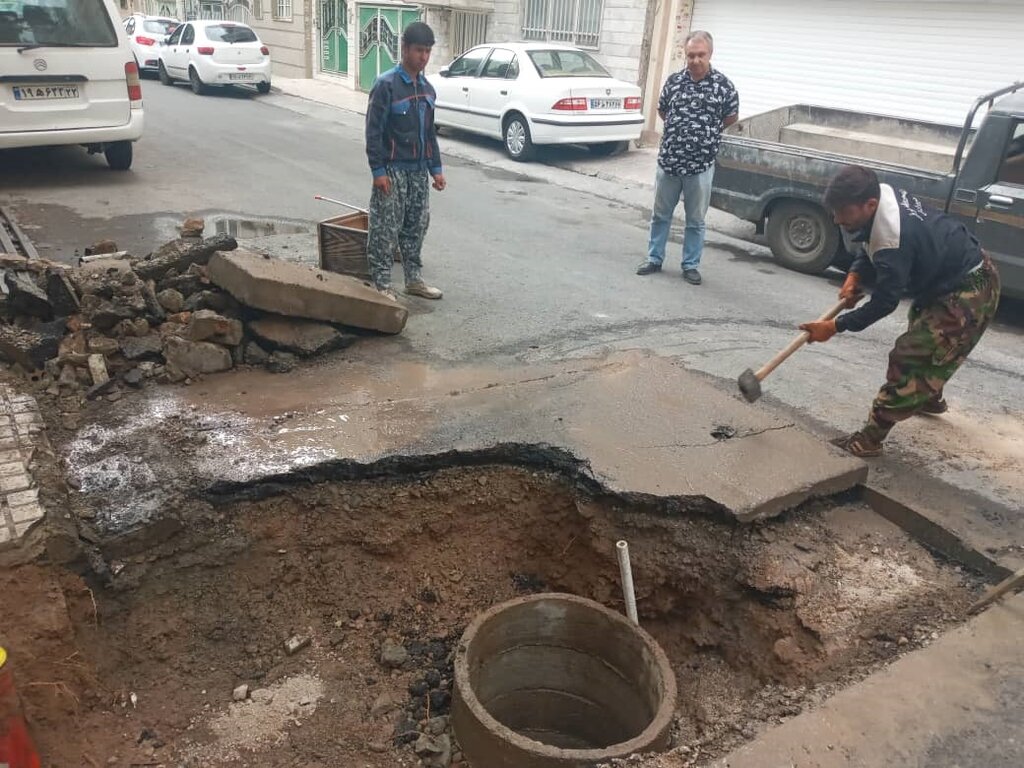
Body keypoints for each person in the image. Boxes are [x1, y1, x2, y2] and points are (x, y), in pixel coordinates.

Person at [799, 165, 1000, 457]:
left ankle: (869, 439)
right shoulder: (881, 195)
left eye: (843, 212)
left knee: (910, 358)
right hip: (943, 277)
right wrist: (856, 274)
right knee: (924, 335)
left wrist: (835, 327)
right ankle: (929, 396)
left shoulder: (893, 238)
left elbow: (884, 302)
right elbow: (871, 242)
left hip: (970, 289)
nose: (836, 219)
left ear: (869, 205)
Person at [636, 30, 738, 285]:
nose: (695, 60)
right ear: (685, 55)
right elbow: (662, 111)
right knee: (660, 215)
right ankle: (654, 259)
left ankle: (690, 265)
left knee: (695, 220)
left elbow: (730, 117)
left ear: (710, 54)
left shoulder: (724, 86)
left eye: (700, 55)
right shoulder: (673, 82)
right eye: (691, 55)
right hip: (669, 163)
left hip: (700, 167)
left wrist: (703, 136)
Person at [364, 21, 446, 301]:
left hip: (418, 171)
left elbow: (429, 133)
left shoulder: (428, 90)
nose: (423, 57)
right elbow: (373, 132)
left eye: (428, 51)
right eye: (419, 50)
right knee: (385, 229)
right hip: (392, 170)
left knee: (416, 225)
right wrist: (378, 171)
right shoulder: (386, 85)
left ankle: (413, 280)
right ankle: (382, 285)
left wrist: (436, 169)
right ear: (405, 49)